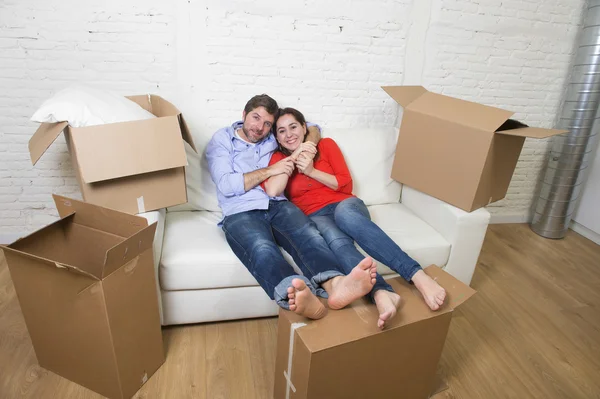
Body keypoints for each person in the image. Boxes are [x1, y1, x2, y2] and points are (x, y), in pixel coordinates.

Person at [264, 107, 447, 329]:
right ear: (277, 137)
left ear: (304, 127)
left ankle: (417, 276)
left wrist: (311, 170)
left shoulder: (326, 145)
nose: (289, 134)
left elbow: (344, 183)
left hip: (344, 203)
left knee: (345, 216)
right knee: (336, 242)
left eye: (293, 127)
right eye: (281, 131)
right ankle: (382, 293)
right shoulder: (277, 158)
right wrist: (295, 159)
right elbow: (273, 191)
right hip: (313, 215)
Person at [206, 94, 378, 320]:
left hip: (277, 204)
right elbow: (228, 185)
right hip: (240, 211)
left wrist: (307, 144)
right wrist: (271, 170)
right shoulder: (223, 139)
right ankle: (297, 296)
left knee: (309, 235)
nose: (260, 127)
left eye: (267, 123)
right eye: (255, 118)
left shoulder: (271, 138)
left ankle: (335, 285)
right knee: (261, 247)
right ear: (243, 115)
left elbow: (313, 128)